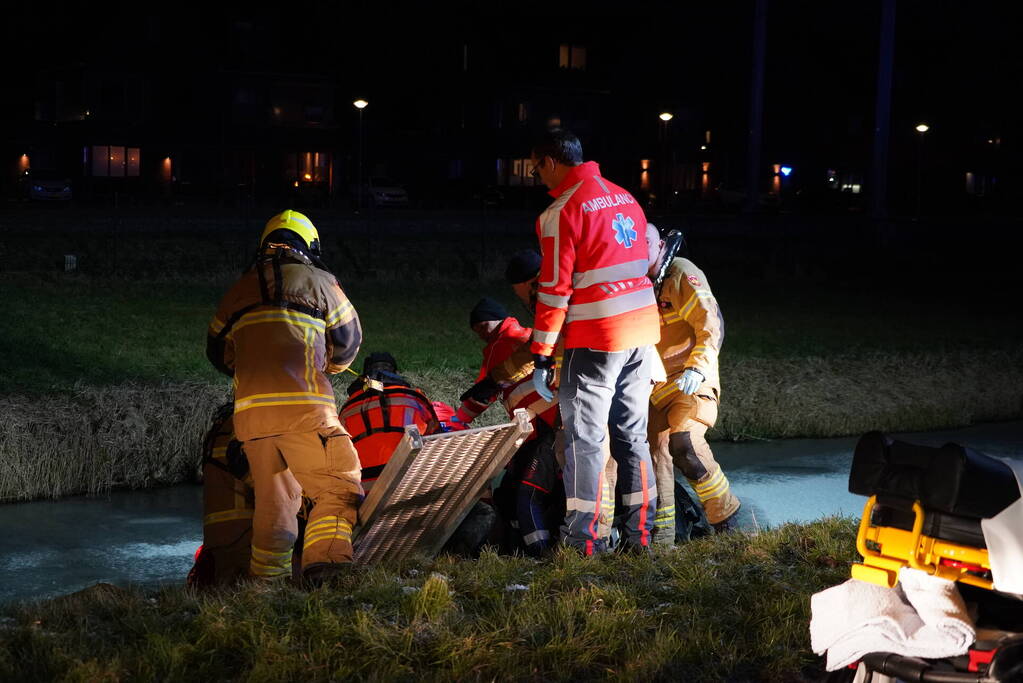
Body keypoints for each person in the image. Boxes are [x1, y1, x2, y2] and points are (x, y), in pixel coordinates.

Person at [206, 209, 363, 586]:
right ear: (309, 245)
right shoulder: (320, 281)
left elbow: (219, 353)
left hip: (252, 423)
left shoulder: (238, 290)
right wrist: (328, 365)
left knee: (276, 507)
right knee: (339, 487)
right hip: (306, 411)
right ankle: (326, 573)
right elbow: (347, 342)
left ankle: (267, 590)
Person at [528, 128, 660, 555]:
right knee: (632, 434)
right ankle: (640, 536)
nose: (537, 177)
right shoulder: (626, 197)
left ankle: (581, 541)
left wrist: (542, 354)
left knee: (585, 440)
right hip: (642, 332)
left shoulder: (561, 211)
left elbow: (552, 291)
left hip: (597, 337)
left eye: (536, 168)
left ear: (550, 162)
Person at [645, 223, 740, 536]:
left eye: (644, 242)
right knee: (653, 459)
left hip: (690, 376)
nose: (637, 250)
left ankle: (725, 521)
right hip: (653, 383)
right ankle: (663, 540)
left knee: (685, 444)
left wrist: (697, 367)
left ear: (660, 244)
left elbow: (711, 321)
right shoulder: (635, 282)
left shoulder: (681, 273)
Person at [340, 351, 439, 491]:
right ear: (396, 372)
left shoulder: (348, 408)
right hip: (412, 484)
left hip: (366, 490)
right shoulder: (415, 398)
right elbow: (438, 439)